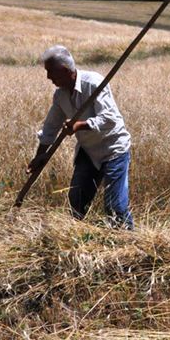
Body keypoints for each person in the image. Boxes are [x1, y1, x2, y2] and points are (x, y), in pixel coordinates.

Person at [27, 45, 134, 228]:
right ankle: (80, 242)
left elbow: (111, 119)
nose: (48, 78)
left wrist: (81, 125)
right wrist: (40, 155)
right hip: (88, 152)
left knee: (115, 207)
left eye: (51, 72)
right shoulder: (60, 95)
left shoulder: (93, 83)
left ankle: (131, 245)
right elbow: (50, 128)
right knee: (77, 203)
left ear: (65, 70)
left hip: (113, 149)